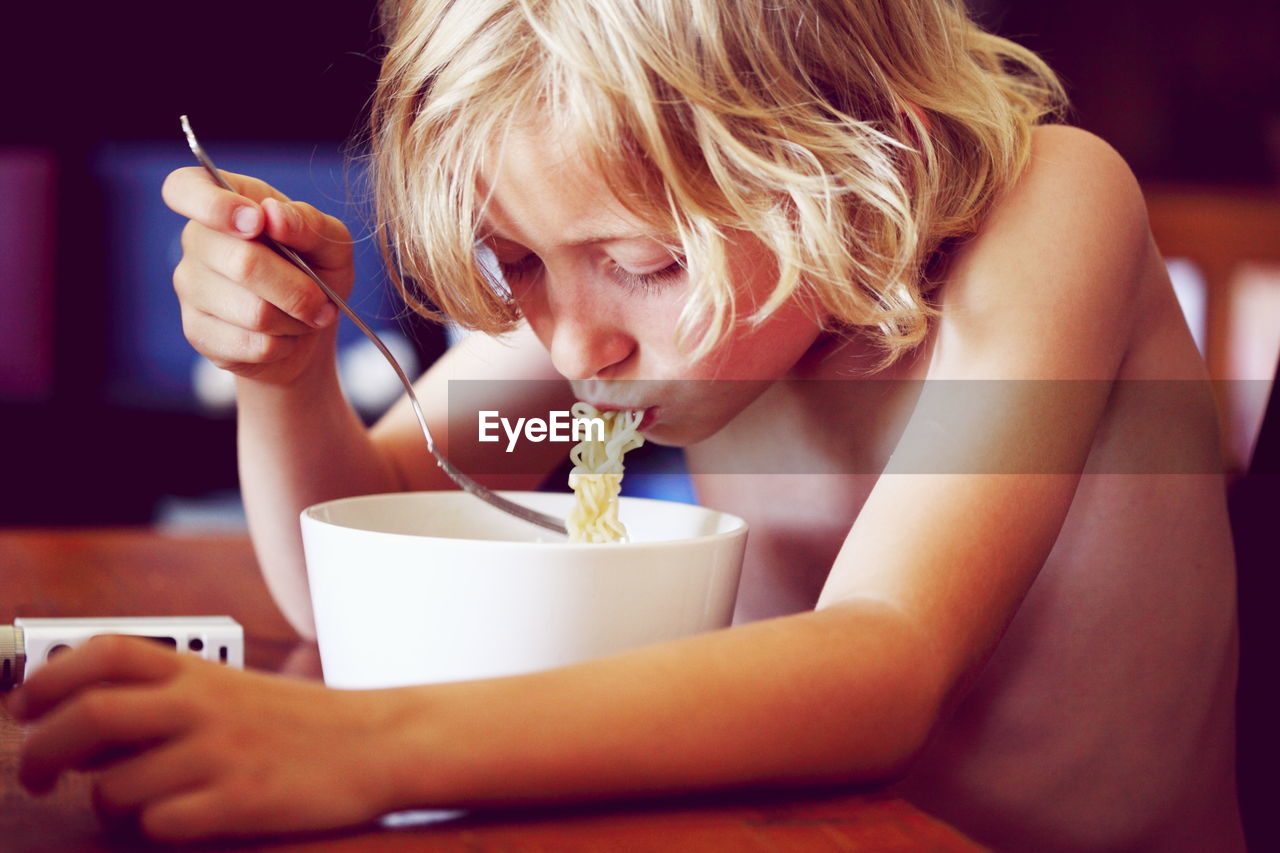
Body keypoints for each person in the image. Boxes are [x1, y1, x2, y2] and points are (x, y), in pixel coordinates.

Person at [9, 1, 1243, 848]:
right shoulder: (606, 305)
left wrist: (365, 743)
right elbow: (360, 560)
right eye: (516, 267)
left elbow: (884, 661)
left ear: (863, 152)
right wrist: (285, 374)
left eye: (646, 263)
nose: (570, 343)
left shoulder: (1048, 212)